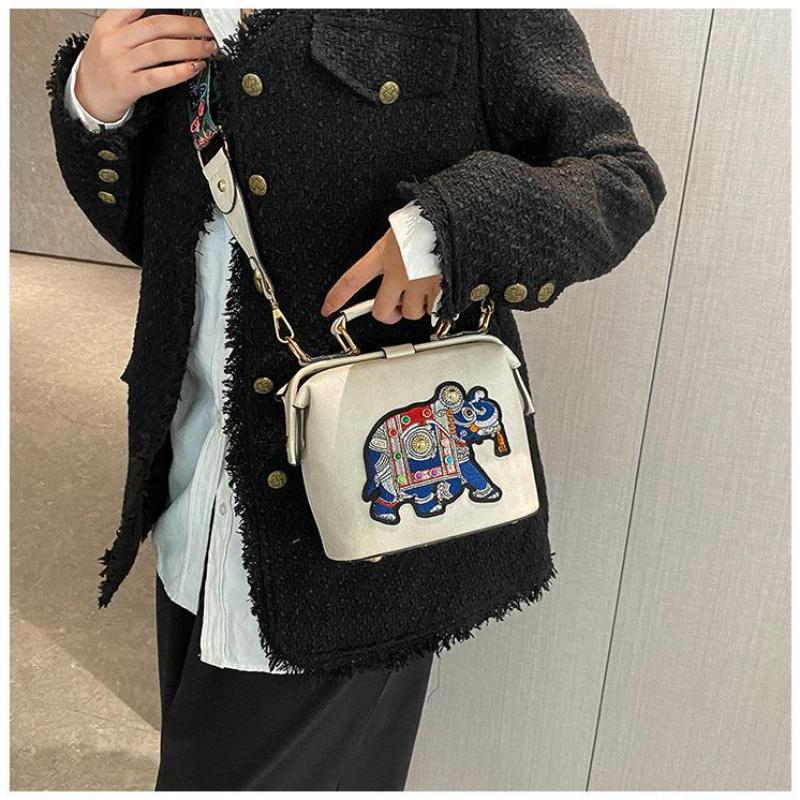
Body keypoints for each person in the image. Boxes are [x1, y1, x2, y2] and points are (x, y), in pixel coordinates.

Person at [47, 8, 665, 791]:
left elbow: (620, 178)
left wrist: (448, 229)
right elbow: (156, 235)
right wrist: (93, 108)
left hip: (365, 532)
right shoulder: (171, 10)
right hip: (190, 491)